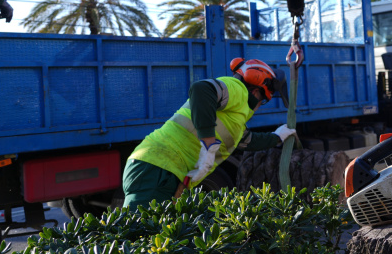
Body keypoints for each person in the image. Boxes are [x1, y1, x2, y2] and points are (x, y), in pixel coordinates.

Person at [122, 58, 297, 209]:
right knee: (139, 238)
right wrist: (208, 144)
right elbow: (201, 89)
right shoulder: (238, 89)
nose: (260, 106)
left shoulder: (236, 115)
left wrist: (276, 137)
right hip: (157, 167)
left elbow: (246, 141)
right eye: (264, 101)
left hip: (165, 170)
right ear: (257, 91)